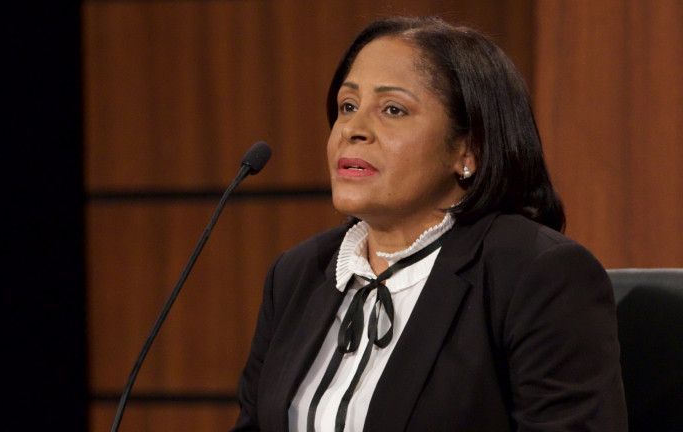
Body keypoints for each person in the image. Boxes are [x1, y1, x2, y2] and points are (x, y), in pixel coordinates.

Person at [232, 16, 627, 432]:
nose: (352, 129)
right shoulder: (297, 275)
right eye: (347, 106)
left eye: (392, 109)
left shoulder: (537, 275)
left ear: (468, 149)